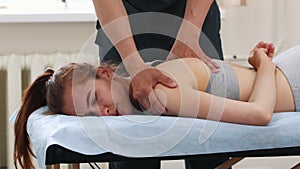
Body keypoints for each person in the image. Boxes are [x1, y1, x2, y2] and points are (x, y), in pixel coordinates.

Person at [14, 42, 300, 169]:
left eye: (95, 98)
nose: (103, 112)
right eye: (89, 116)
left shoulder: (160, 93)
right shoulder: (149, 89)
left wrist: (264, 63)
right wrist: (261, 66)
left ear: (105, 73)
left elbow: (260, 114)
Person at [93, 1, 225, 167]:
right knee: (132, 154)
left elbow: (257, 114)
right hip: (119, 20)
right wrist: (133, 65)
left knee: (208, 149)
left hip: (195, 14)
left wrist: (191, 30)